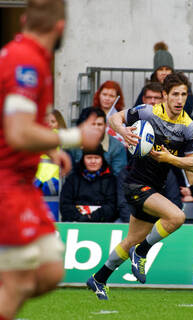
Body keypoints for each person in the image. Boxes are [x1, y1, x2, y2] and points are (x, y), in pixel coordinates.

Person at [0, 1, 102, 320]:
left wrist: (48, 147)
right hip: (7, 183)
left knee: (49, 269)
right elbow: (17, 132)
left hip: (21, 186)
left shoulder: (27, 57)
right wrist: (72, 137)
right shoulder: (26, 62)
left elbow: (18, 121)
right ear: (60, 28)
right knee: (17, 282)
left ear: (25, 18)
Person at [86, 72, 193, 300]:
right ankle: (142, 252)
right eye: (175, 94)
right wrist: (123, 131)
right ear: (165, 95)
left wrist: (171, 159)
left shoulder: (188, 126)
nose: (180, 100)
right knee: (177, 217)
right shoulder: (147, 112)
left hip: (154, 188)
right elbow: (114, 119)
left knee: (131, 239)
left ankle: (98, 278)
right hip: (135, 184)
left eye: (184, 95)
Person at [60, 145, 117, 222]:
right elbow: (65, 204)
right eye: (89, 158)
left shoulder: (110, 180)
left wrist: (91, 217)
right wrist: (79, 217)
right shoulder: (73, 179)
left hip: (102, 222)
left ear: (102, 160)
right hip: (75, 221)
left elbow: (111, 206)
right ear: (83, 159)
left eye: (97, 158)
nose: (93, 161)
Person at [134, 41, 193, 116]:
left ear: (172, 71)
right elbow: (137, 110)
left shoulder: (183, 87)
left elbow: (188, 110)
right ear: (155, 72)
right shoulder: (148, 89)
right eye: (160, 69)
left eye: (167, 69)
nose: (164, 73)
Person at [69, 107, 127, 176]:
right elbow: (69, 173)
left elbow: (118, 176)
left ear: (105, 126)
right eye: (92, 124)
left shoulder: (117, 147)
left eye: (99, 124)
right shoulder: (73, 145)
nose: (96, 128)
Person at [34, 109, 67, 195]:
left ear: (59, 123)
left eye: (53, 122)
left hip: (51, 179)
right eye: (46, 121)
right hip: (40, 178)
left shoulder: (58, 135)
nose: (49, 124)